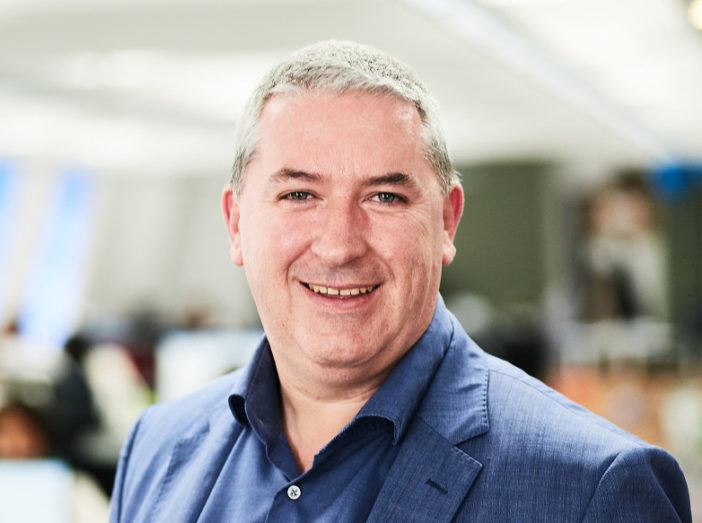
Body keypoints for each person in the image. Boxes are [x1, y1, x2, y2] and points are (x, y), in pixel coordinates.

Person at [109, 41, 690, 522]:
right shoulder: (157, 448)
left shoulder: (594, 489)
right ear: (236, 224)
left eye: (384, 196)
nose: (339, 245)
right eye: (299, 195)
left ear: (446, 221)